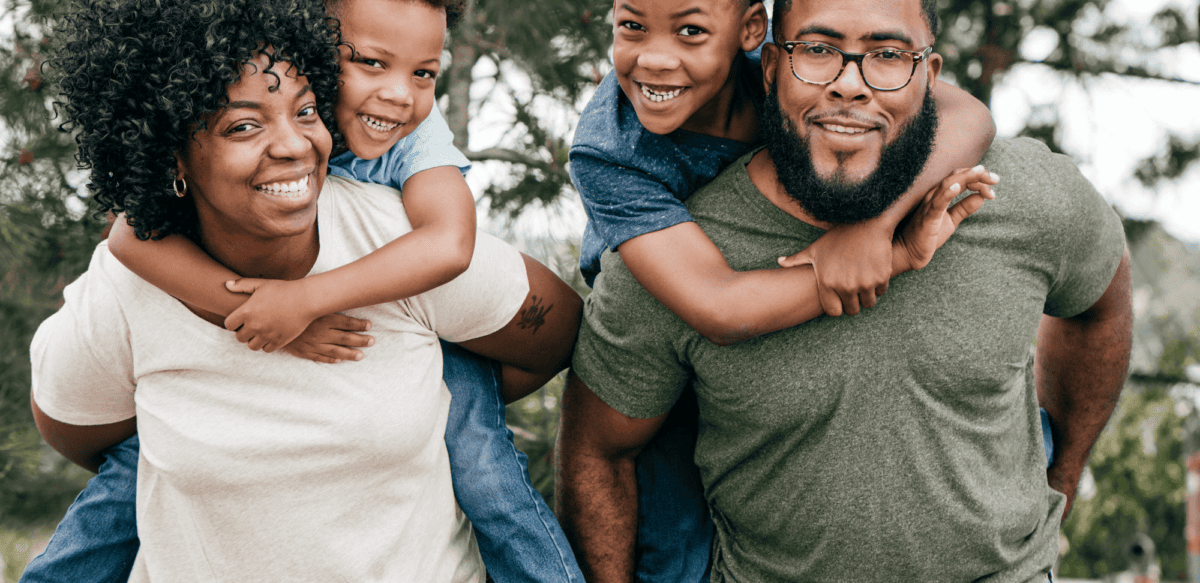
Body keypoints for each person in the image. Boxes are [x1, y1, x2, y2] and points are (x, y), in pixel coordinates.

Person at [556, 0, 1132, 580]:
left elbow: (1102, 301)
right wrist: (886, 255)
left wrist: (1059, 484)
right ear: (772, 66)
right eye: (819, 50)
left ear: (929, 76)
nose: (850, 84)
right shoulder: (662, 244)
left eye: (886, 55)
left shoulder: (1016, 191)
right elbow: (598, 449)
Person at [22, 0, 585, 581]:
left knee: (487, 468)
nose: (292, 144)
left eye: (306, 110)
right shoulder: (133, 282)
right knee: (127, 480)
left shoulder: (400, 195)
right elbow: (127, 245)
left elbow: (466, 261)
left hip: (424, 316)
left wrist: (314, 308)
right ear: (171, 152)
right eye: (243, 125)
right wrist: (252, 314)